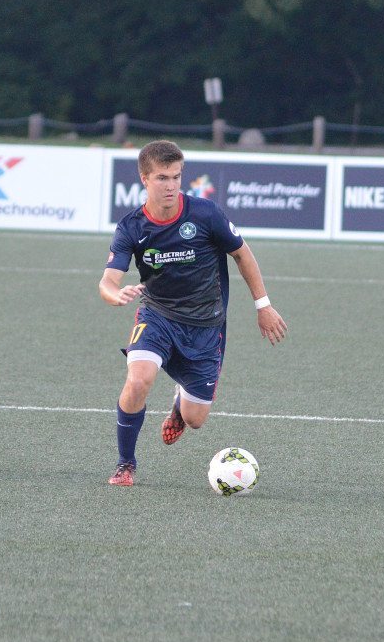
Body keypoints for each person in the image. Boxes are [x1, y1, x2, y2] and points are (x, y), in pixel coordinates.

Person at [98, 140, 287, 487]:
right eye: (162, 178)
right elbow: (108, 281)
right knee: (138, 379)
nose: (171, 185)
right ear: (144, 178)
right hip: (157, 316)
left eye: (176, 177)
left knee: (195, 418)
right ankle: (126, 464)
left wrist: (263, 306)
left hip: (205, 325)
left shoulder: (205, 214)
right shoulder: (131, 227)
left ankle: (180, 403)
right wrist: (116, 294)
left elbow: (243, 255)